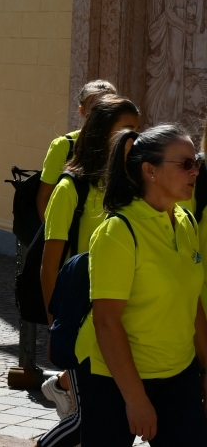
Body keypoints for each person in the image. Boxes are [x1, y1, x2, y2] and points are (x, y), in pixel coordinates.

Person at [74, 124, 207, 446]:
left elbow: (192, 305)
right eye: (185, 164)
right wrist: (135, 399)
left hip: (178, 374)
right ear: (150, 170)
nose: (195, 172)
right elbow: (106, 321)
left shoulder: (185, 220)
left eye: (197, 163)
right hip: (114, 381)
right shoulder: (118, 231)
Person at [34, 96, 140, 447]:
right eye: (124, 131)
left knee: (111, 418)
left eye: (136, 132)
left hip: (121, 318)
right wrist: (56, 324)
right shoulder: (71, 188)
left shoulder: (132, 188)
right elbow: (50, 265)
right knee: (86, 420)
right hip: (83, 318)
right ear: (99, 135)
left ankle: (61, 386)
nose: (132, 140)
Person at [35, 80, 116, 221]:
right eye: (95, 107)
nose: (102, 113)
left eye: (108, 107)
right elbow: (44, 197)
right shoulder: (63, 146)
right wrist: (53, 238)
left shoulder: (122, 146)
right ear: (82, 111)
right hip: (73, 236)